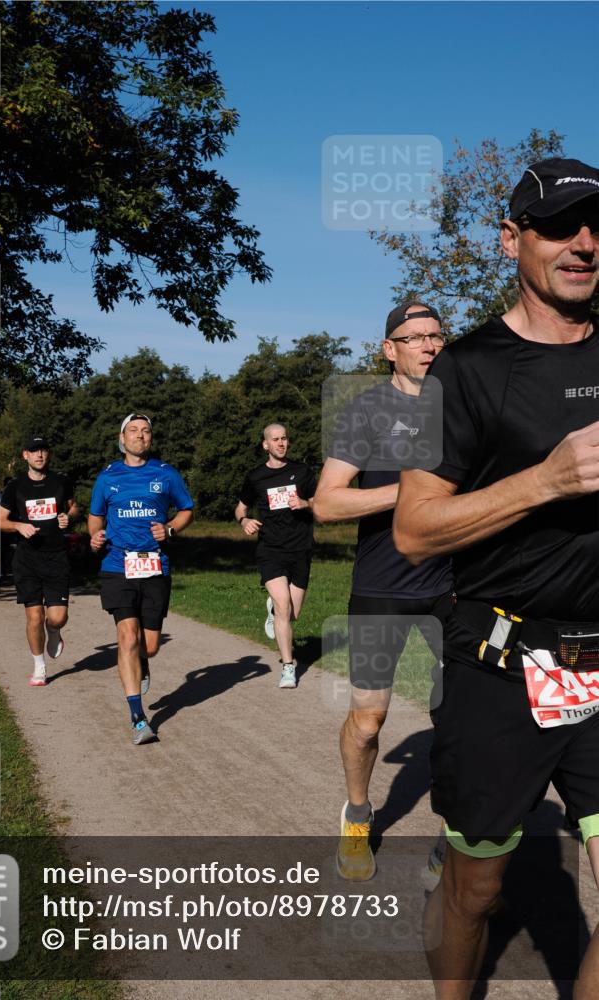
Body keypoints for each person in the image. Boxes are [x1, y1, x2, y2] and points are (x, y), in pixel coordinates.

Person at [393, 157, 599, 999]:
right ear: (513, 239)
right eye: (559, 227)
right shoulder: (466, 369)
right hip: (503, 666)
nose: (584, 243)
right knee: (477, 891)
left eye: (597, 226)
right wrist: (545, 481)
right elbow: (412, 531)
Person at [313, 301, 452, 880]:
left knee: (467, 720)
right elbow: (325, 503)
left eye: (437, 335)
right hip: (382, 587)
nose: (428, 345)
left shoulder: (465, 406)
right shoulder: (366, 410)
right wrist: (408, 491)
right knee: (368, 721)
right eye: (414, 336)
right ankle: (358, 812)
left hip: (457, 587)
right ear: (388, 349)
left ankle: (459, 837)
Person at [88, 414, 194, 745]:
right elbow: (95, 518)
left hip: (154, 566)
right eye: (134, 431)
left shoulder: (165, 474)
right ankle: (137, 717)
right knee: (127, 635)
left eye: (146, 431)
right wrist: (95, 536)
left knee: (149, 646)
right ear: (122, 437)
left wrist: (171, 528)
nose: (140, 436)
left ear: (151, 439)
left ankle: (143, 663)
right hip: (117, 564)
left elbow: (187, 509)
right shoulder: (108, 477)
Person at [235, 424, 317, 689]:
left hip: (301, 548)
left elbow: (322, 501)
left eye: (284, 439)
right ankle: (288, 667)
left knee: (292, 613)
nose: (281, 443)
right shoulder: (256, 477)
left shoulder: (302, 471)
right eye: (275, 439)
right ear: (265, 445)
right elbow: (240, 507)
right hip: (270, 550)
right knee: (284, 606)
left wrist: (306, 504)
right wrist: (244, 521)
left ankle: (273, 610)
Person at [0, 437, 79, 687]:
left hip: (56, 557)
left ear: (48, 455)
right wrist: (18, 525)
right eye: (34, 451)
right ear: (25, 456)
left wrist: (67, 516)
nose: (39, 455)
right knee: (33, 616)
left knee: (57, 617)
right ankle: (39, 667)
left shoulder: (61, 482)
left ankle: (53, 631)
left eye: (43, 450)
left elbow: (74, 508)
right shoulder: (15, 486)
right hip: (27, 559)